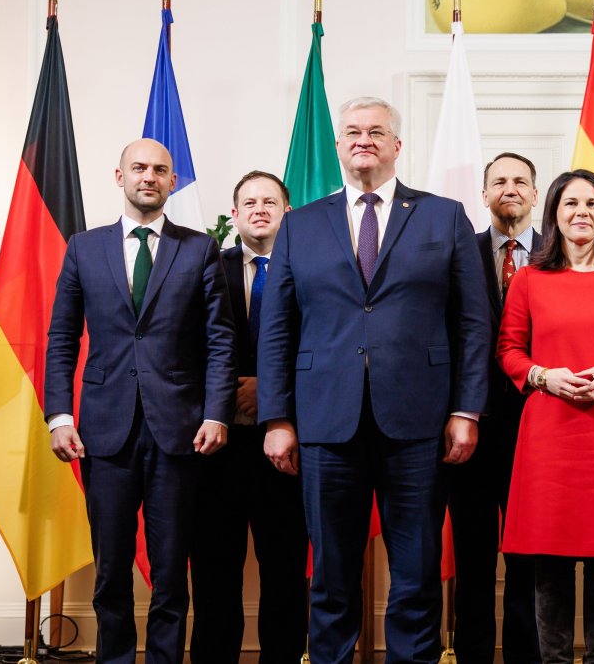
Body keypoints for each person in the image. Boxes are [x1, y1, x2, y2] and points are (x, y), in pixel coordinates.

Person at [256, 97, 490, 664]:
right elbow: (277, 330)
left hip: (418, 422)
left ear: (396, 146)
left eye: (376, 132)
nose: (364, 140)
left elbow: (473, 321)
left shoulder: (444, 216)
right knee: (331, 574)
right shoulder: (300, 225)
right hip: (324, 422)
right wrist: (278, 418)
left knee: (415, 573)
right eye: (353, 132)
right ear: (339, 146)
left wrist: (467, 411)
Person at [44, 138, 236, 664]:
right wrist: (59, 416)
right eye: (139, 168)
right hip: (103, 432)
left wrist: (218, 411)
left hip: (180, 429)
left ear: (173, 181)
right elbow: (61, 338)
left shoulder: (199, 249)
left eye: (160, 170)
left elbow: (220, 340)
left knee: (172, 569)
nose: (149, 176)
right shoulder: (84, 247)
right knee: (111, 571)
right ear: (119, 176)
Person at [497, 169, 594, 664]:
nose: (581, 212)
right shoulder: (528, 279)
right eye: (570, 204)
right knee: (550, 566)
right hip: (549, 435)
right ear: (555, 216)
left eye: (592, 204)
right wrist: (544, 376)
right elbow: (509, 350)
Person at [189, 171, 306, 663]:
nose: (260, 209)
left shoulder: (312, 270)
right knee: (215, 574)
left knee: (284, 573)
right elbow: (183, 347)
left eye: (271, 202)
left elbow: (327, 349)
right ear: (233, 214)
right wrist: (221, 399)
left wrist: (272, 395)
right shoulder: (205, 267)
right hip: (217, 448)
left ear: (287, 212)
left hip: (286, 444)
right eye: (249, 202)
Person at [448, 152, 542, 664]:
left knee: (530, 555)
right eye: (499, 181)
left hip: (541, 427)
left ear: (535, 193)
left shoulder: (559, 253)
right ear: (484, 194)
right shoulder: (459, 251)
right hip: (473, 425)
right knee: (474, 554)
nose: (510, 188)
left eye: (520, 181)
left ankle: (527, 656)